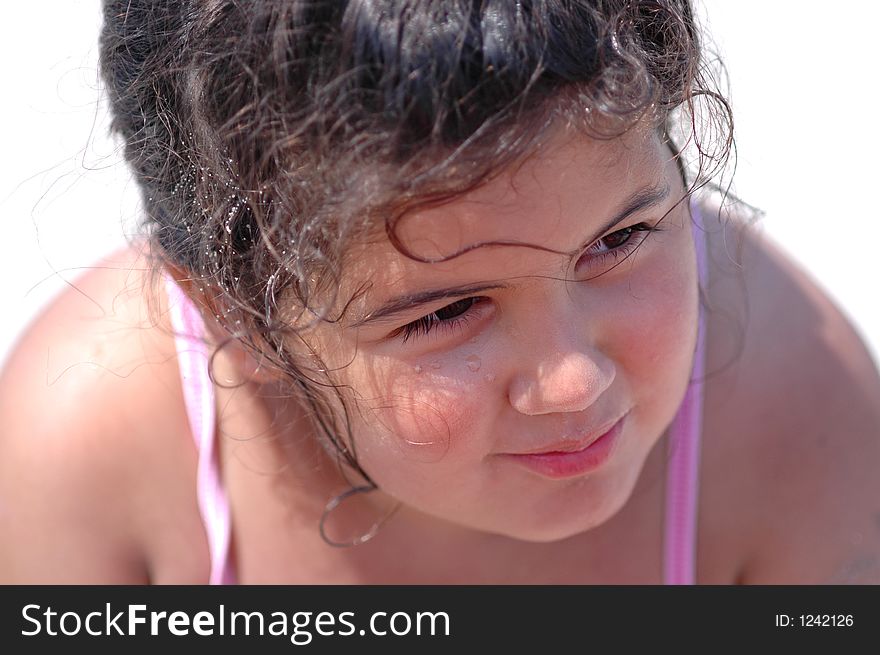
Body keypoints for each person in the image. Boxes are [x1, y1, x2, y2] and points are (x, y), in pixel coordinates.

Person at [1, 0, 879, 585]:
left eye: (620, 240)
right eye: (446, 310)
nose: (574, 381)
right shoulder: (92, 464)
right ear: (238, 318)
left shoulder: (792, 411)